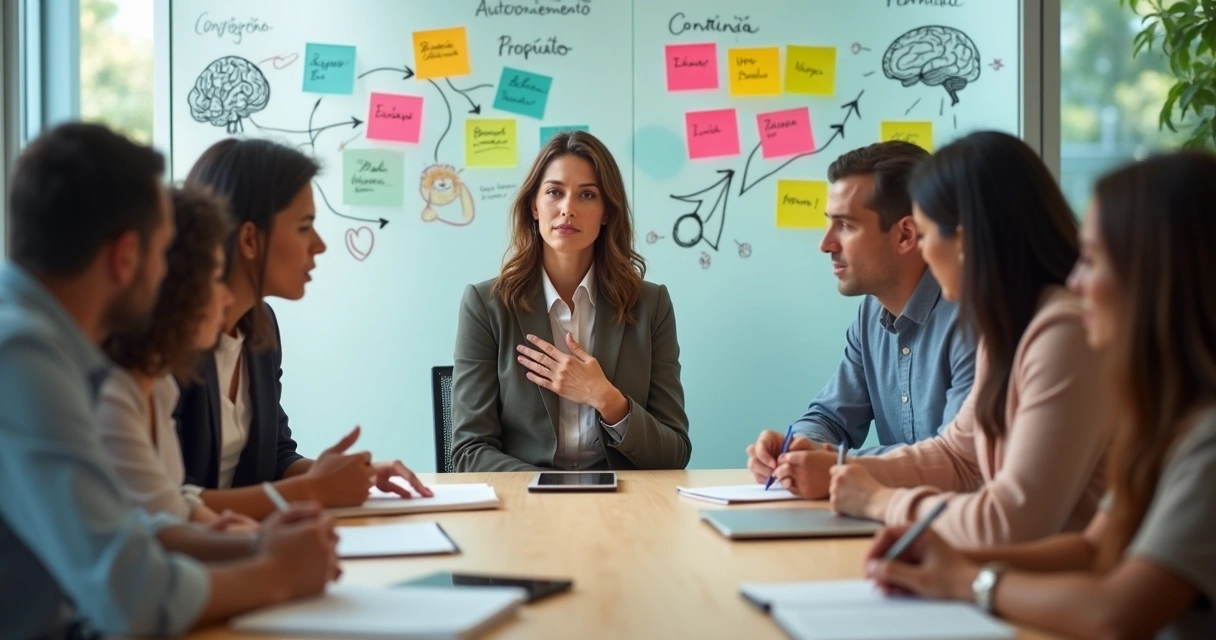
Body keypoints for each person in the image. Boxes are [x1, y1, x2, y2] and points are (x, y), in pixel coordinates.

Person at [0, 123, 338, 639]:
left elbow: (133, 522)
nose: (169, 278)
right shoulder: (23, 356)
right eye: (164, 254)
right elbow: (133, 597)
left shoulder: (52, 348)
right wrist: (276, 573)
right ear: (125, 257)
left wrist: (252, 544)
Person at [864, 151, 1216, 639]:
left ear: (1156, 279)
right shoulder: (1167, 422)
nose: (1076, 281)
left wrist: (968, 578)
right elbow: (1096, 550)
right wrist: (947, 559)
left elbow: (1115, 614)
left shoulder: (1207, 441)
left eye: (1092, 260)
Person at [773, 131, 1108, 546]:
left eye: (929, 235)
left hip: (1051, 589)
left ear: (964, 242)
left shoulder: (1061, 333)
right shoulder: (1012, 326)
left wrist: (878, 500)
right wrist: (828, 463)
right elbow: (958, 458)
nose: (926, 256)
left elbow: (1011, 519)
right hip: (1012, 575)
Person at [176, 138, 431, 520]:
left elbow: (276, 456)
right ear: (249, 239)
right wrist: (311, 490)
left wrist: (351, 476)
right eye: (304, 227)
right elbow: (163, 503)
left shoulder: (261, 328)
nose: (320, 245)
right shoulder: (168, 338)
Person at [452, 130, 690, 472]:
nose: (567, 209)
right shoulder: (486, 306)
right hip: (527, 507)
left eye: (587, 195)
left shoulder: (651, 305)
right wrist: (554, 490)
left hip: (623, 508)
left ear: (607, 212)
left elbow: (674, 454)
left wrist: (605, 397)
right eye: (554, 192)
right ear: (534, 206)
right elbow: (469, 452)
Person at [747, 141, 976, 480]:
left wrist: (838, 465)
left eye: (846, 225)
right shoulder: (872, 312)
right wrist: (794, 450)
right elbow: (831, 417)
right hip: (894, 519)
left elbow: (958, 460)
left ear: (905, 235)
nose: (826, 243)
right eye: (829, 223)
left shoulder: (974, 318)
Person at [97, 185, 245, 525]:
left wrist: (228, 528)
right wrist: (260, 544)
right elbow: (162, 529)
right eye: (216, 279)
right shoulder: (113, 395)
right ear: (176, 286)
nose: (226, 297)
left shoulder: (161, 387)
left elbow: (174, 501)